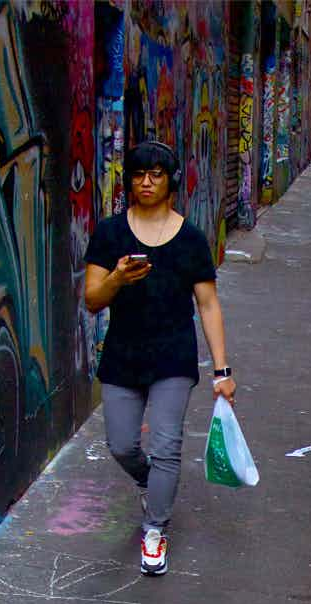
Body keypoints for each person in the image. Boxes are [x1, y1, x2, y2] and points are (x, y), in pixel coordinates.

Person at [84, 139, 236, 576]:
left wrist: (222, 371)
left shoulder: (190, 240)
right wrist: (116, 277)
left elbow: (208, 305)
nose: (145, 182)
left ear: (170, 182)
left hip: (173, 355)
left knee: (167, 445)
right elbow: (93, 299)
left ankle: (155, 528)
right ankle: (152, 484)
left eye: (155, 175)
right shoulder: (111, 233)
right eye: (137, 175)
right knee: (121, 444)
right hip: (123, 354)